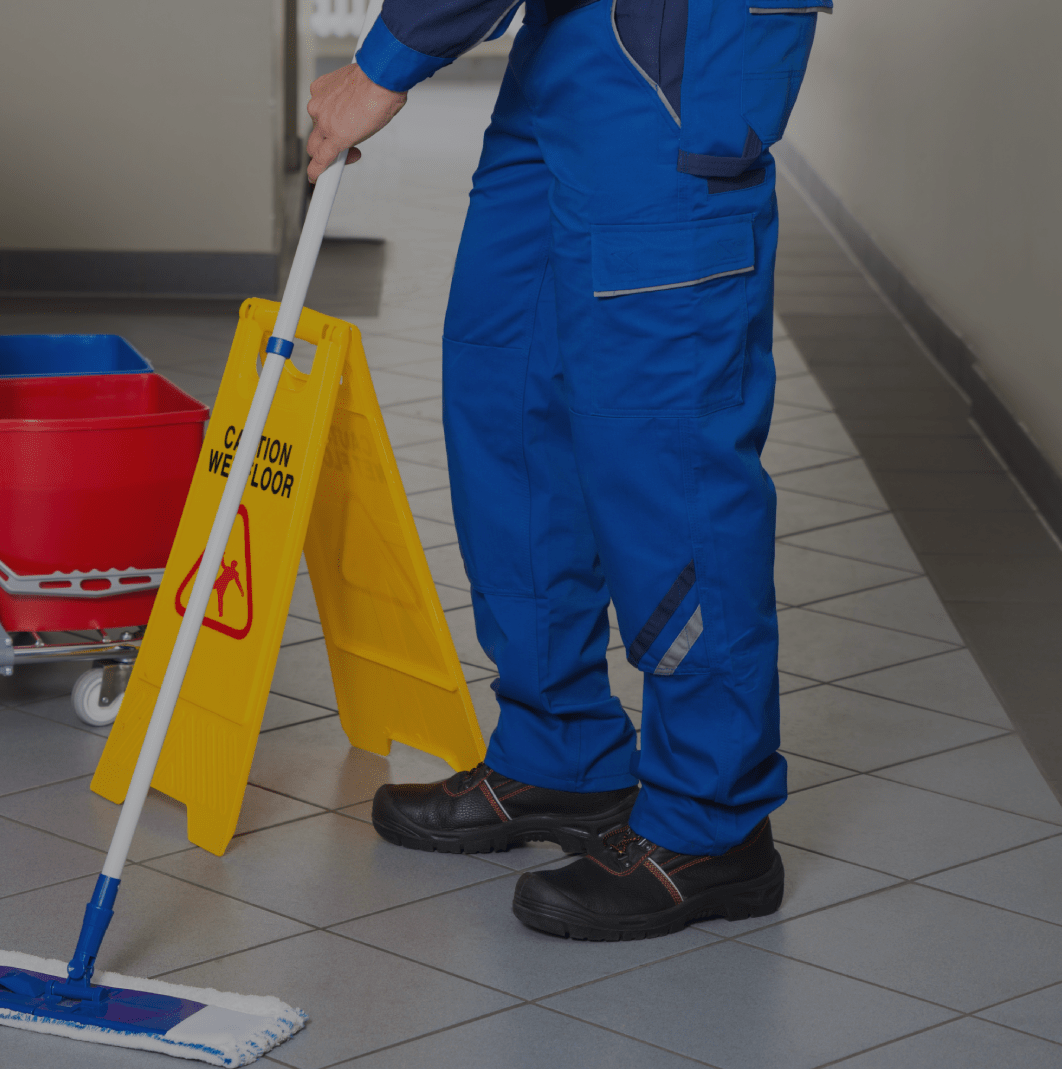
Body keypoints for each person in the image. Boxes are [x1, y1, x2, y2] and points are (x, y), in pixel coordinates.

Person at [305, 0, 826, 940]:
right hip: (566, 42)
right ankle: (561, 751)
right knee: (507, 397)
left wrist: (384, 62)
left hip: (680, 51)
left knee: (666, 452)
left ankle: (712, 820)